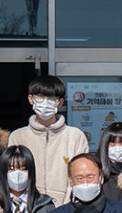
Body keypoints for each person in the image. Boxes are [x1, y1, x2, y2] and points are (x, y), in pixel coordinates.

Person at [9, 75, 89, 205]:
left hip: (65, 207)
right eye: (40, 96)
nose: (45, 102)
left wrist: (66, 207)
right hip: (28, 207)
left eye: (51, 98)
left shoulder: (75, 136)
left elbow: (80, 175)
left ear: (60, 102)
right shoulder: (18, 136)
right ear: (31, 99)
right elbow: (13, 174)